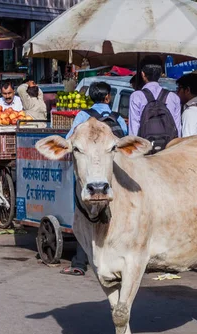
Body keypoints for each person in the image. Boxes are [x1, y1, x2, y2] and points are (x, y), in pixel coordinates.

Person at [61, 82, 128, 276]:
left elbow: (69, 141)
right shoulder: (116, 118)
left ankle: (80, 263)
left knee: (85, 216)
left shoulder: (83, 117)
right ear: (108, 97)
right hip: (111, 175)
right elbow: (124, 142)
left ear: (90, 98)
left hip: (89, 176)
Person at [128, 56, 181, 149]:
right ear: (160, 74)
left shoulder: (136, 96)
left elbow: (133, 133)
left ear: (143, 74)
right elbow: (177, 131)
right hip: (168, 152)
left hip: (146, 153)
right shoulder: (173, 97)